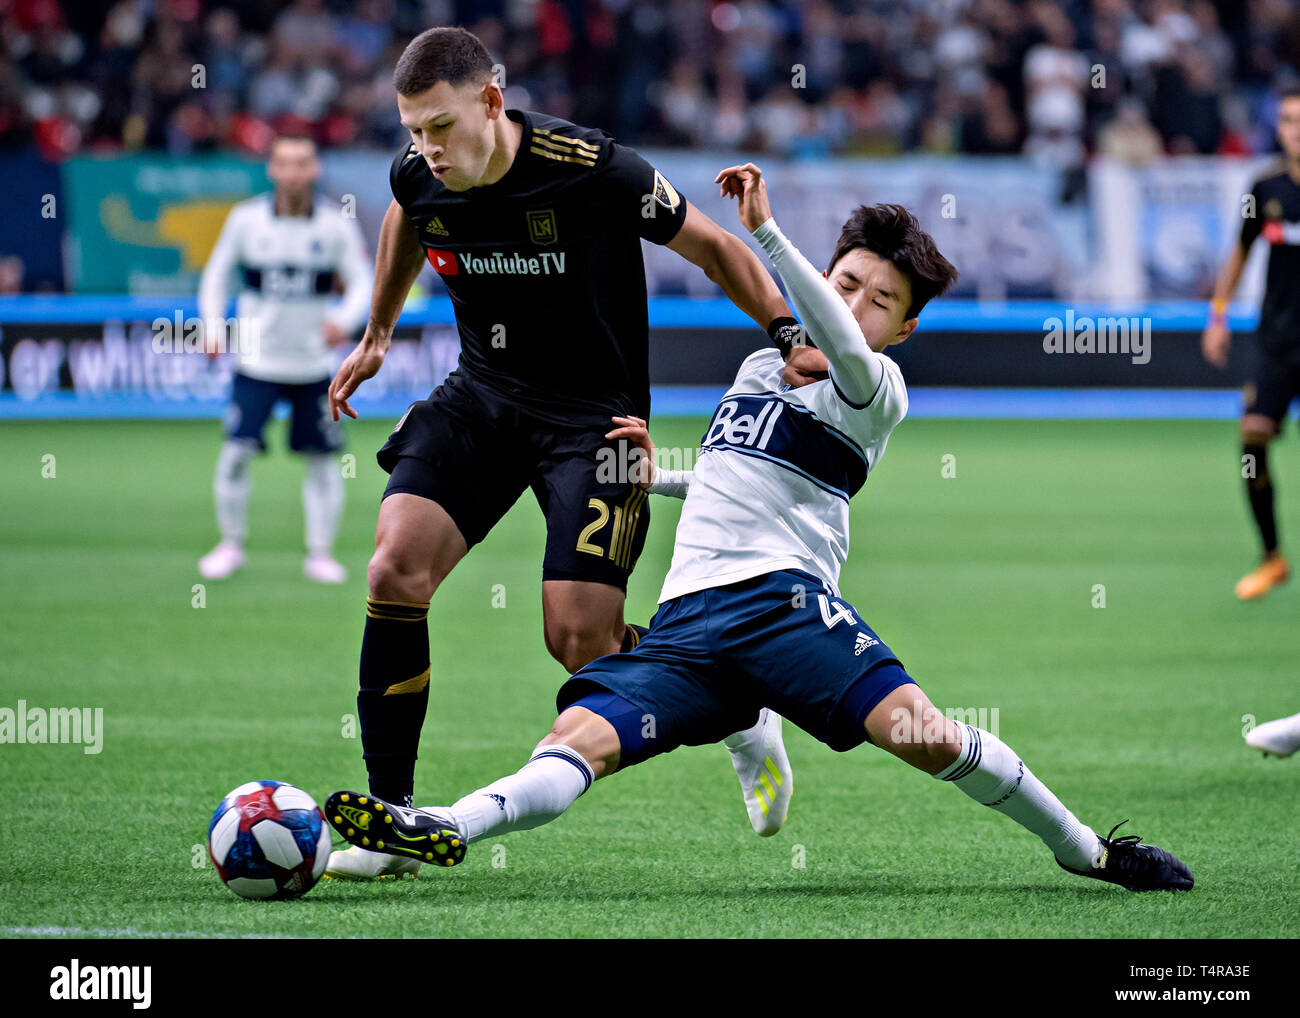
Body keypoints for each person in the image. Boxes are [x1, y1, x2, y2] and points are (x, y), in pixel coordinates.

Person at [323, 165, 1193, 893]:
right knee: (572, 744)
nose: (855, 305)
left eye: (878, 299)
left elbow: (844, 351)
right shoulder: (757, 365)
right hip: (688, 620)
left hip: (787, 607)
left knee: (924, 734)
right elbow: (729, 477)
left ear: (905, 327)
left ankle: (1090, 849)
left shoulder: (875, 385)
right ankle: (436, 824)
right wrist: (648, 470)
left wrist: (770, 236)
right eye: (846, 282)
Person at [324, 27, 811, 880]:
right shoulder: (418, 173)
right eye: (410, 130)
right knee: (392, 568)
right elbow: (407, 213)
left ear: (490, 101)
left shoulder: (590, 168)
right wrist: (378, 332)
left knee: (581, 642)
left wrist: (787, 333)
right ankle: (389, 821)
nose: (424, 149)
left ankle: (740, 713)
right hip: (480, 399)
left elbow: (715, 247)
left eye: (438, 127)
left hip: (596, 424)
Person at [197, 134, 371, 584]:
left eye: (302, 163)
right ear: (271, 169)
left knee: (322, 461)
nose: (293, 172)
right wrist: (213, 325)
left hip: (313, 367)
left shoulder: (334, 225)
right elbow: (216, 275)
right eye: (284, 163)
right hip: (255, 362)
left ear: (315, 170)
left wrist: (346, 319)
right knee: (235, 453)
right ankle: (230, 545)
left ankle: (320, 553)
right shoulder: (246, 220)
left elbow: (362, 280)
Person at [1203, 89, 1300, 600]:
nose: (1295, 129)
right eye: (1287, 120)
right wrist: (1217, 316)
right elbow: (1238, 254)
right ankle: (1272, 558)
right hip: (1278, 342)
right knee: (1254, 439)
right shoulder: (1264, 187)